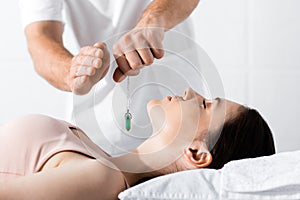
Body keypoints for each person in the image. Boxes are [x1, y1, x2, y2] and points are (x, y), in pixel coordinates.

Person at [0, 88, 275, 200]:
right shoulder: (102, 160)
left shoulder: (104, 176)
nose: (190, 92)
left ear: (196, 153)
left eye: (204, 105)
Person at [19, 0, 201, 154]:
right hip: (97, 125)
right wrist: (73, 73)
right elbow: (40, 38)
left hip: (178, 115)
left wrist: (151, 23)